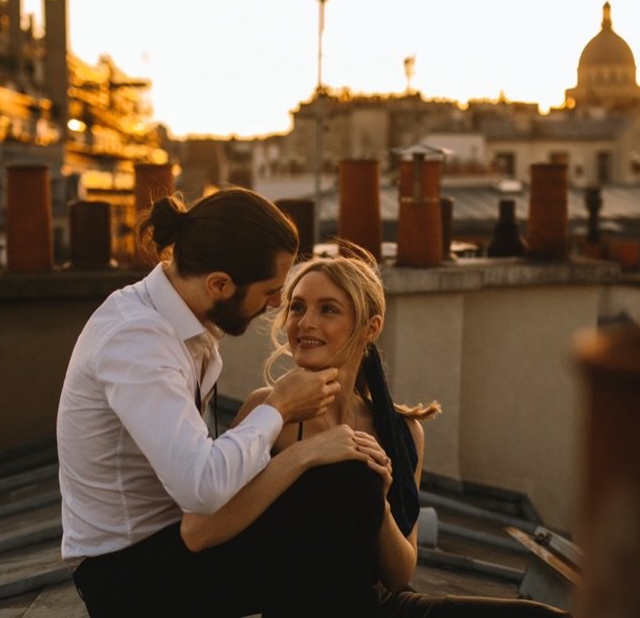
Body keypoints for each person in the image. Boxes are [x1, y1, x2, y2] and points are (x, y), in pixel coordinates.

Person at [60, 189, 393, 618]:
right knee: (342, 483)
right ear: (219, 284)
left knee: (342, 496)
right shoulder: (137, 340)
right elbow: (201, 487)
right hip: (131, 577)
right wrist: (283, 414)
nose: (277, 306)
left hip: (171, 549)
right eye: (272, 292)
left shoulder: (184, 331)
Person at [180, 250, 568, 615]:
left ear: (370, 328)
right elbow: (204, 530)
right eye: (296, 307)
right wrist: (308, 454)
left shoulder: (403, 430)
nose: (305, 322)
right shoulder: (268, 412)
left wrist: (378, 500)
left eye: (327, 309)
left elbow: (400, 575)